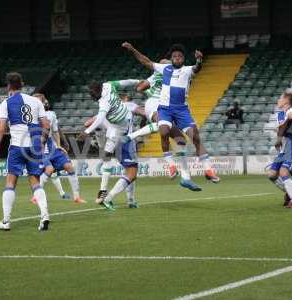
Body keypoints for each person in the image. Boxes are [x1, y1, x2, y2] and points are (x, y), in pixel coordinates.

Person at [122, 42, 219, 190]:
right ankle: (171, 163)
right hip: (165, 109)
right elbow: (145, 61)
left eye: (180, 56)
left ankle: (208, 170)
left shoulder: (187, 70)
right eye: (174, 56)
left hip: (181, 110)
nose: (177, 58)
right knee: (164, 131)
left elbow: (197, 68)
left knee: (195, 137)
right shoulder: (163, 69)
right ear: (171, 58)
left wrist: (199, 60)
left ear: (183, 58)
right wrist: (132, 49)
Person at [0, 72, 51, 231]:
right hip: (34, 147)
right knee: (35, 182)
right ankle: (44, 216)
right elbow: (46, 125)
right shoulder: (36, 101)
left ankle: (6, 221)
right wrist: (41, 143)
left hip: (17, 146)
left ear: (8, 86)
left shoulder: (6, 103)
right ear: (22, 84)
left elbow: (1, 129)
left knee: (10, 182)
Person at [79, 79, 140, 206]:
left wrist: (87, 131)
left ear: (99, 90)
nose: (91, 95)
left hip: (121, 132)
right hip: (118, 131)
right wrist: (137, 81)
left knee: (127, 170)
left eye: (92, 92)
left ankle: (127, 199)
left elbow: (100, 117)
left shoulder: (105, 103)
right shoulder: (108, 85)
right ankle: (106, 193)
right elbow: (124, 82)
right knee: (130, 171)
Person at [33, 93, 85, 204]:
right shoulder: (30, 116)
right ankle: (36, 196)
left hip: (51, 145)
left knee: (69, 167)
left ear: (43, 103)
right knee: (50, 170)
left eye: (39, 101)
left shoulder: (51, 114)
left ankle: (77, 197)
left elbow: (56, 131)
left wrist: (59, 145)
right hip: (39, 146)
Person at [267, 92, 292, 208]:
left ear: (286, 100)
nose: (278, 100)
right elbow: (282, 128)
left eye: (281, 98)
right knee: (271, 174)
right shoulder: (279, 115)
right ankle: (289, 193)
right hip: (283, 150)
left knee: (283, 172)